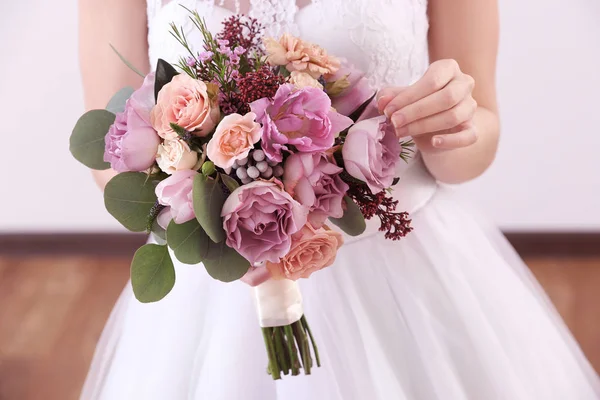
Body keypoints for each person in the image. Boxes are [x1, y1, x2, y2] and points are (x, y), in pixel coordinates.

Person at [78, 0, 600, 399]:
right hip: (215, 283)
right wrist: (226, 221)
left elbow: (480, 134)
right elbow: (110, 156)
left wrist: (453, 123)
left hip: (407, 271)